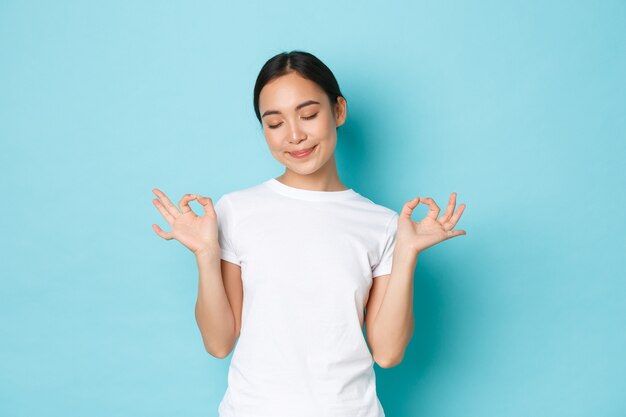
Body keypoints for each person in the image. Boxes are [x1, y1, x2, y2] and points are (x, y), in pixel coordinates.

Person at [151, 50, 467, 417]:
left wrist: (407, 254)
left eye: (309, 114)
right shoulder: (236, 211)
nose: (295, 135)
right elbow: (219, 343)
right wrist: (205, 255)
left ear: (339, 111)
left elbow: (388, 353)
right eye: (275, 123)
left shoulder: (381, 223)